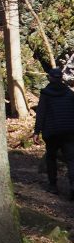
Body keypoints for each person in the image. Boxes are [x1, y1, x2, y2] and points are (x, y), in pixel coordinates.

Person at [33, 67, 74, 197]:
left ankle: (53, 185)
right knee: (71, 159)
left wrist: (36, 131)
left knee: (51, 157)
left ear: (50, 78)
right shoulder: (69, 93)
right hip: (69, 131)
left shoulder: (46, 94)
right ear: (61, 78)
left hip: (51, 132)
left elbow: (41, 113)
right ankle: (73, 187)